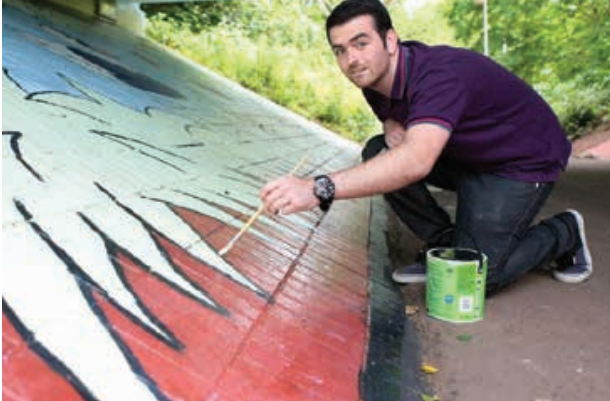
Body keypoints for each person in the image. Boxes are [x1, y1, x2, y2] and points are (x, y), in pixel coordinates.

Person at [259, 0, 592, 294]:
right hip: (466, 155)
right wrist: (390, 123)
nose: (352, 60)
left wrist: (319, 188)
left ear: (391, 40)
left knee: (475, 279)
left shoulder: (440, 75)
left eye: (361, 43)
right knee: (379, 151)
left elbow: (416, 161)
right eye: (340, 50)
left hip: (519, 163)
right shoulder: (372, 79)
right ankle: (444, 244)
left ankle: (564, 232)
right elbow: (396, 124)